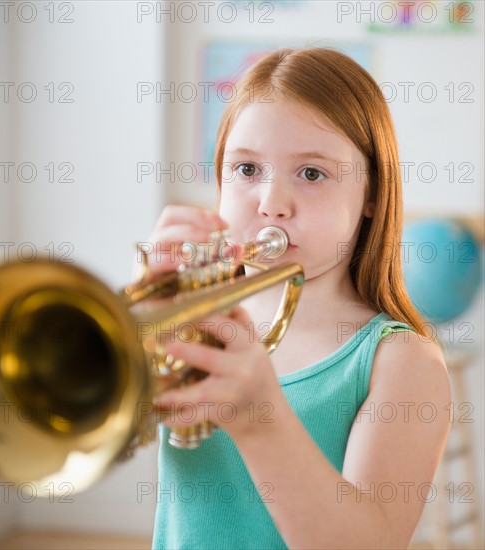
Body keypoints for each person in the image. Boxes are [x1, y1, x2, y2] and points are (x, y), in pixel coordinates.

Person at [143, 48, 451, 549]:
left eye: (312, 173)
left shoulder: (403, 364)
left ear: (373, 194)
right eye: (246, 170)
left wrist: (260, 419)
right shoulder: (189, 321)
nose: (271, 204)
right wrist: (127, 331)